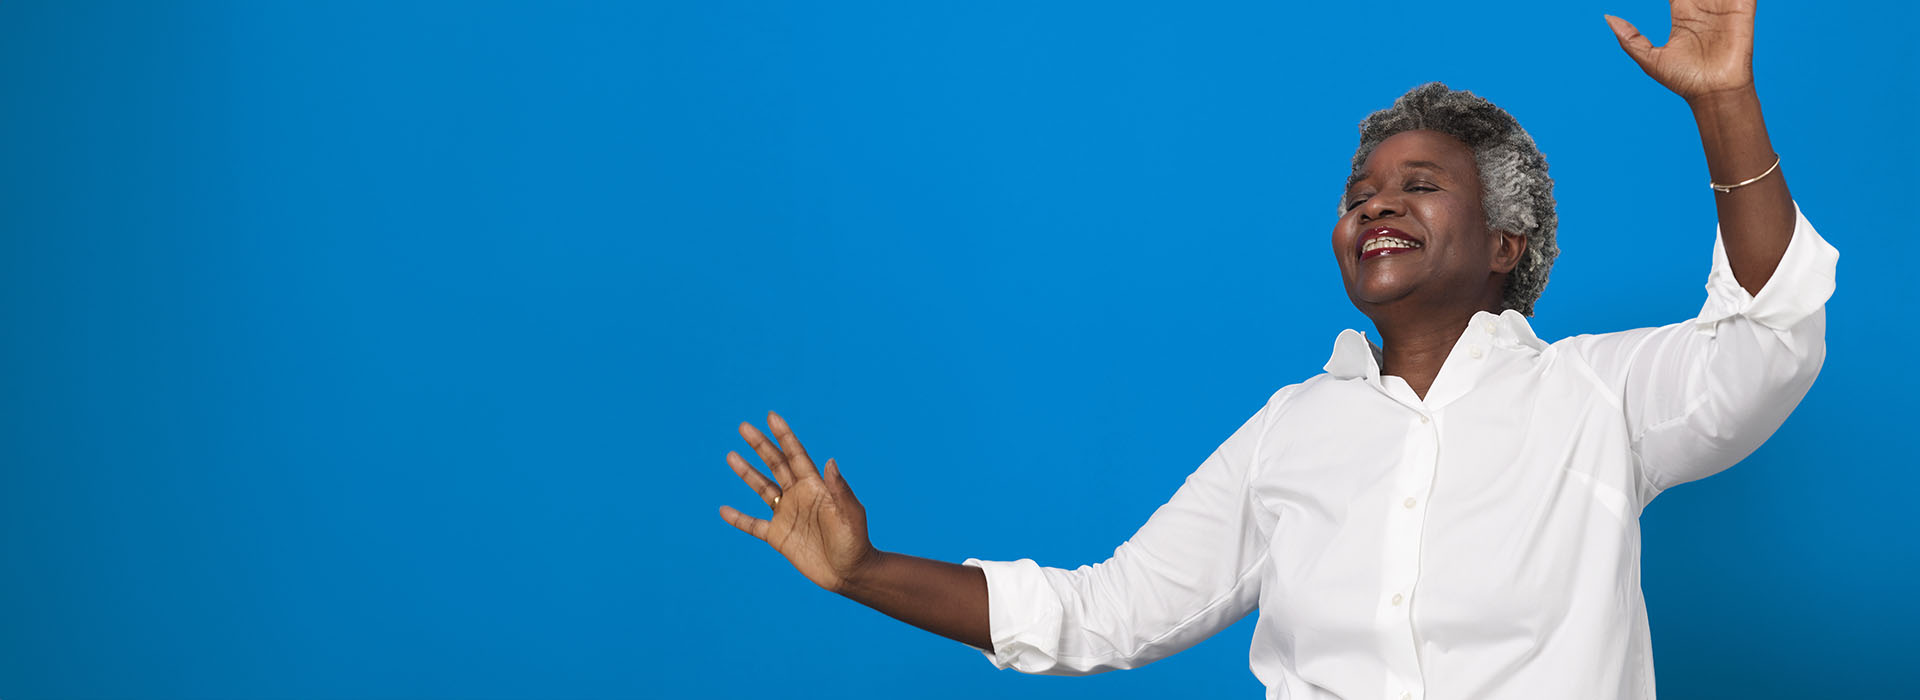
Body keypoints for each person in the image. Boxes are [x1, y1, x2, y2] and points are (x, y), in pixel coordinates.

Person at [716, 2, 1837, 698]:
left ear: (1506, 242)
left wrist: (1724, 100)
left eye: (1416, 186)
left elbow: (1770, 340)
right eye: (1358, 195)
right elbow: (1103, 612)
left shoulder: (1598, 398)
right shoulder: (1291, 434)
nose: (1374, 208)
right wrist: (864, 570)